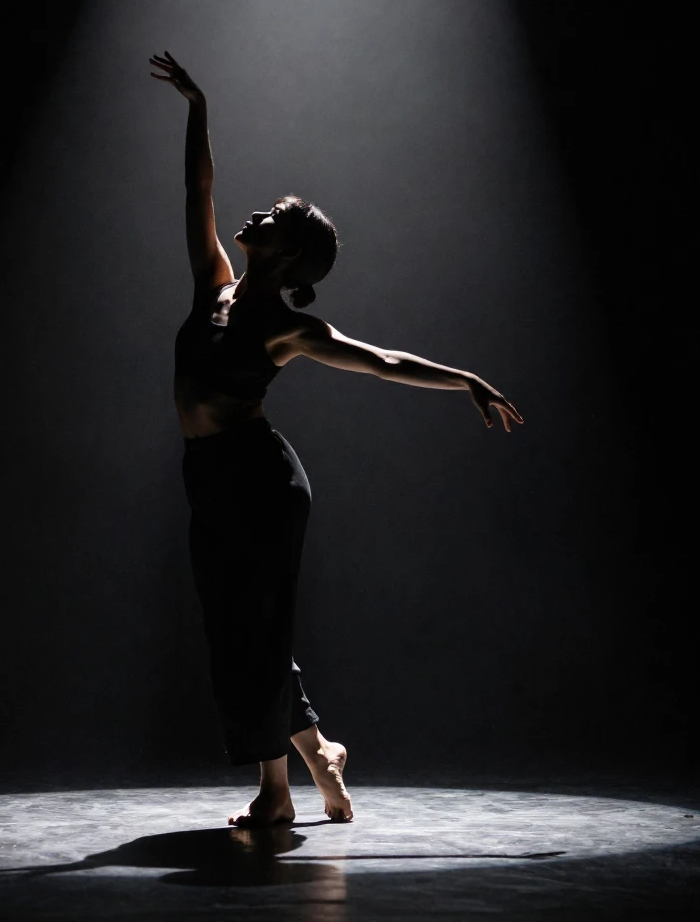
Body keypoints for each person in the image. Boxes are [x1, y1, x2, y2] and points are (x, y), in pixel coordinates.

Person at [150, 50, 523, 827]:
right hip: (208, 474)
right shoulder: (212, 285)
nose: (257, 215)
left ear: (288, 253)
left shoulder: (286, 327)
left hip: (259, 482)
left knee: (255, 628)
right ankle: (320, 755)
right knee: (232, 626)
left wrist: (465, 379)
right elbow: (199, 191)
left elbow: (382, 361)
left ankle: (278, 792)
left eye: (274, 217)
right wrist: (198, 106)